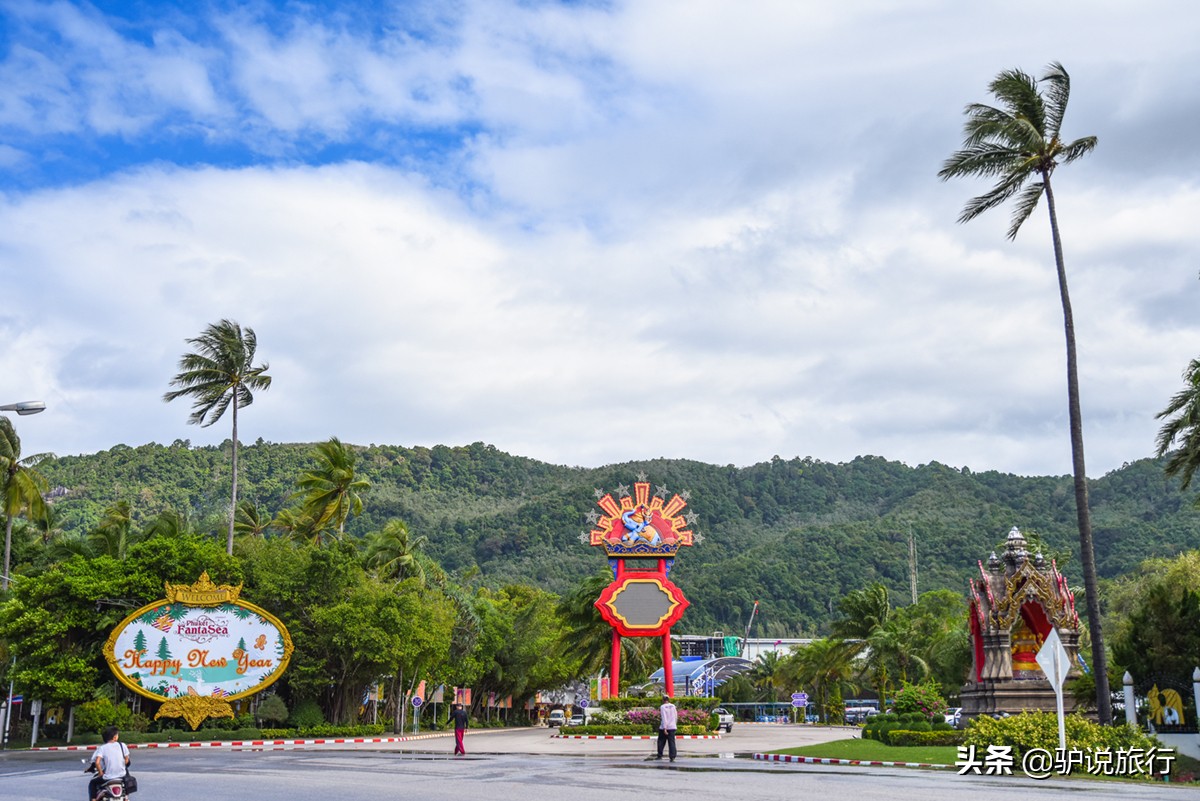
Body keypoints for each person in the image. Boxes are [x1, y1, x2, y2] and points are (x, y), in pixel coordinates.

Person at [86, 726, 129, 801]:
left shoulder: (102, 748)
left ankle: (93, 799)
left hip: (108, 777)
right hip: (121, 776)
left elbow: (97, 762)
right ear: (115, 737)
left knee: (92, 783)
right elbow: (127, 760)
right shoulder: (122, 745)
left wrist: (100, 773)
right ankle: (126, 797)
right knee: (127, 782)